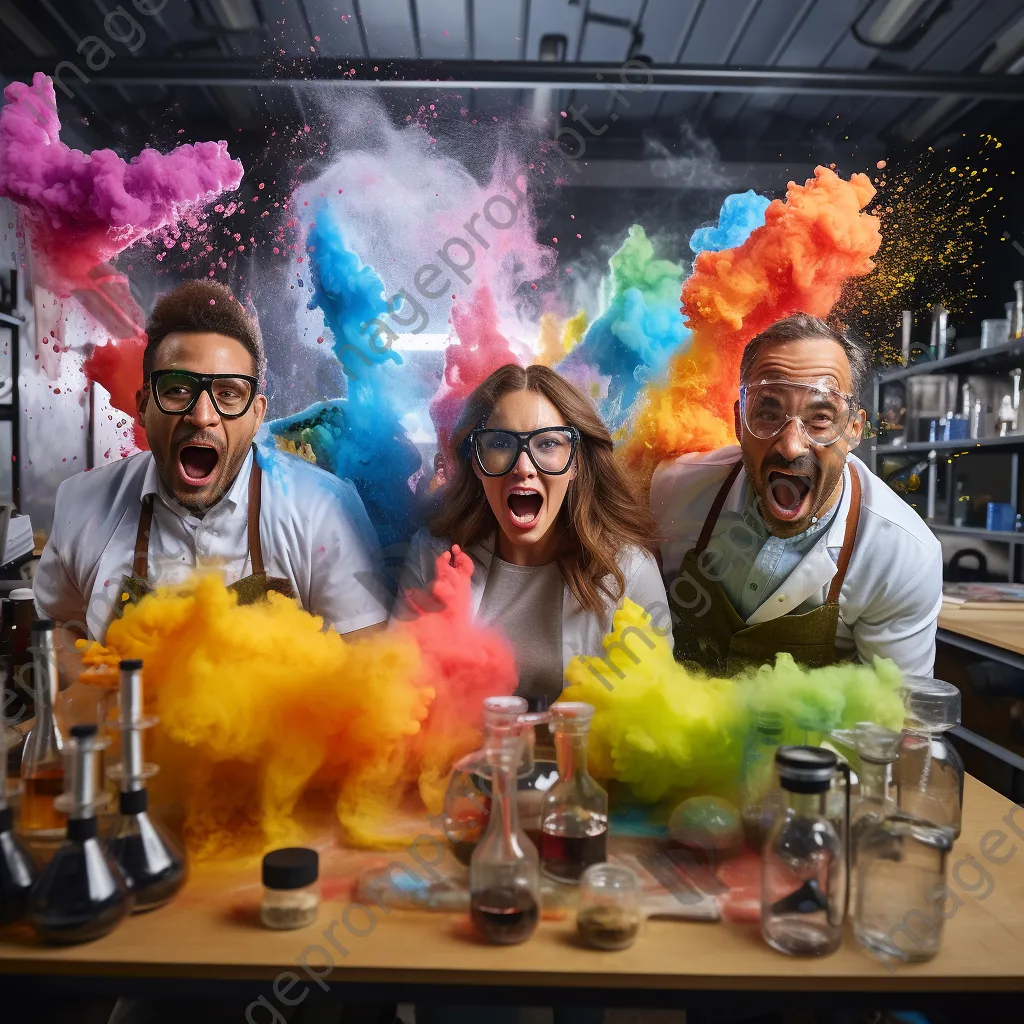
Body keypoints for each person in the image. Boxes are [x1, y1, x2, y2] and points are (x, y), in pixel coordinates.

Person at [34, 279, 389, 647]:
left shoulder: (322, 510)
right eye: (177, 389)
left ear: (256, 415)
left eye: (228, 393)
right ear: (142, 406)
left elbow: (366, 664)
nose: (202, 416)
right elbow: (59, 632)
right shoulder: (82, 504)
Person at [652, 312, 942, 678]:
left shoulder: (902, 555)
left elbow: (895, 719)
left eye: (820, 417)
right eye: (768, 412)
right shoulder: (672, 490)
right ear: (739, 421)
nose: (790, 446)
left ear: (854, 430)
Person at [396, 362, 667, 708]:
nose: (524, 467)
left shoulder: (629, 571)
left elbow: (652, 719)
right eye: (500, 443)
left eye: (548, 443)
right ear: (478, 462)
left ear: (576, 464)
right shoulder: (432, 557)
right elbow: (400, 696)